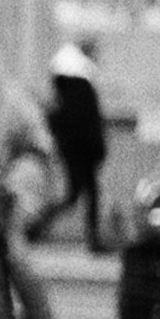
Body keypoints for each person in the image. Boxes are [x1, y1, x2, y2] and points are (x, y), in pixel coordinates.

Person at [0, 35, 96, 319]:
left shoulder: (9, 105)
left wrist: (15, 187)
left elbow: (38, 151)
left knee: (17, 261)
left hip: (3, 202)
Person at [34, 36, 108, 254]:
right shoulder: (81, 86)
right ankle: (37, 225)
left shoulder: (67, 90)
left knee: (77, 194)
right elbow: (88, 122)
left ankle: (38, 225)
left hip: (75, 148)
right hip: (81, 149)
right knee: (81, 193)